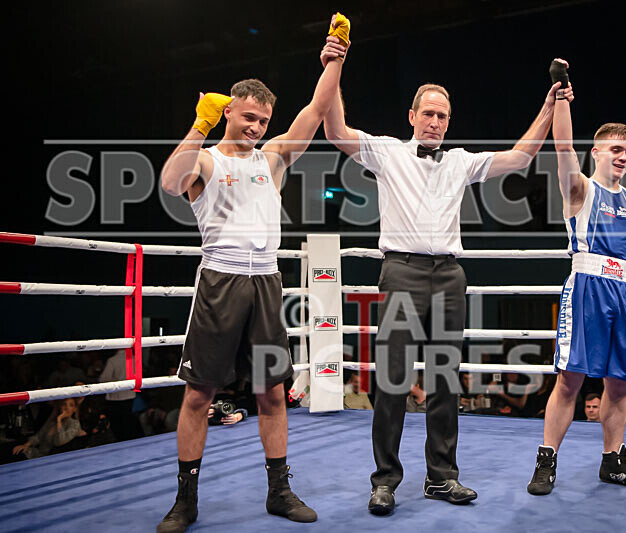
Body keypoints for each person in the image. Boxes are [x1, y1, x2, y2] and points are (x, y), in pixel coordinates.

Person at [323, 41, 568, 516]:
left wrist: (549, 104)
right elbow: (335, 129)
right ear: (412, 115)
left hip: (449, 275)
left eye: (443, 116)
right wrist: (335, 64)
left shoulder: (459, 160)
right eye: (429, 113)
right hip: (400, 270)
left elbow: (519, 158)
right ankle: (385, 480)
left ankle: (441, 477)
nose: (436, 122)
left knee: (444, 380)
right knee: (393, 381)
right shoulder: (388, 152)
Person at [156, 14, 351, 531]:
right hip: (219, 280)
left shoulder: (272, 160)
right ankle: (185, 500)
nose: (255, 127)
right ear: (228, 113)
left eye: (263, 121)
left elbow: (314, 112)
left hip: (265, 283)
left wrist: (336, 56)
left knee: (271, 392)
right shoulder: (207, 161)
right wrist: (198, 125)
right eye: (247, 117)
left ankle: (279, 491)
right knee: (199, 394)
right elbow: (171, 183)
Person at [527, 59, 626, 496]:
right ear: (596, 152)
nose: (623, 157)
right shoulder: (579, 189)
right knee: (570, 380)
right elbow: (561, 147)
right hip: (588, 288)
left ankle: (613, 462)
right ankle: (546, 461)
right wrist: (562, 93)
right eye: (615, 149)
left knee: (620, 383)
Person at [12, 399, 85, 459]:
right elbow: (38, 437)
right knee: (13, 450)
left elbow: (59, 441)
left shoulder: (74, 424)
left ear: (75, 409)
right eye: (64, 404)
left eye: (71, 405)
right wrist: (26, 445)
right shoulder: (52, 420)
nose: (66, 407)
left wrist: (59, 420)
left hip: (51, 458)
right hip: (37, 452)